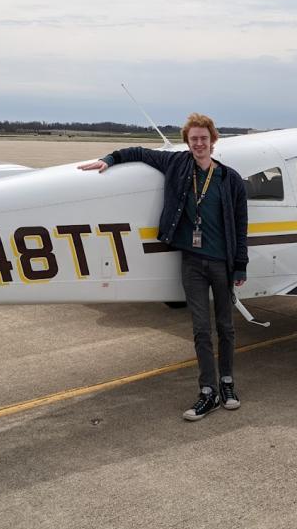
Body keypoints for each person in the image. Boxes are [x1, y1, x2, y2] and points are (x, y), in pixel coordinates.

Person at [78, 113, 248, 421]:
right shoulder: (177, 165)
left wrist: (240, 267)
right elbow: (140, 153)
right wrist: (109, 159)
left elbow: (240, 225)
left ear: (213, 141)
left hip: (222, 263)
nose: (199, 143)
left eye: (204, 139)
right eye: (194, 139)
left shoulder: (230, 179)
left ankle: (227, 383)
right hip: (192, 263)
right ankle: (207, 391)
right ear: (187, 141)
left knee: (226, 326)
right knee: (200, 329)